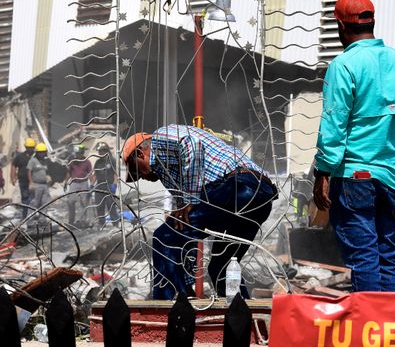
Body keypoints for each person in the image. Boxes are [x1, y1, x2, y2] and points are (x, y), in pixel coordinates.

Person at [312, 0, 395, 292]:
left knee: (364, 259)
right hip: (391, 179)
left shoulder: (344, 65)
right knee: (386, 256)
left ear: (341, 26)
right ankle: (390, 332)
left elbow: (334, 125)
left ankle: (370, 330)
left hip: (354, 179)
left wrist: (322, 173)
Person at [122, 125, 278, 300]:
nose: (140, 177)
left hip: (237, 186)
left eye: (136, 170)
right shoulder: (170, 175)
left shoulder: (160, 137)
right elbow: (186, 232)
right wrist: (188, 283)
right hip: (261, 196)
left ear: (140, 154)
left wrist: (191, 199)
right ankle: (242, 315)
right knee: (221, 266)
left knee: (162, 237)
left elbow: (192, 143)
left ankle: (168, 306)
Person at [93, 142, 120, 226]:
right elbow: (95, 175)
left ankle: (115, 224)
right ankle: (101, 224)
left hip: (109, 185)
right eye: (99, 151)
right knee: (99, 206)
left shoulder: (112, 160)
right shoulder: (97, 162)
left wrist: (115, 185)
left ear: (106, 151)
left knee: (110, 205)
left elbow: (116, 174)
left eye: (101, 151)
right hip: (99, 186)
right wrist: (91, 185)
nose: (100, 153)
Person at [66, 143, 94, 227]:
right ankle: (71, 220)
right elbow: (68, 172)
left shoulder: (87, 162)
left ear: (82, 153)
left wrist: (91, 185)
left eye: (80, 153)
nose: (78, 155)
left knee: (84, 202)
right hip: (74, 183)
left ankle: (83, 220)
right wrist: (65, 183)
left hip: (84, 183)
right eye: (77, 153)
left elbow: (90, 174)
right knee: (70, 201)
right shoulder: (72, 161)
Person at [11, 138, 36, 218]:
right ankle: (26, 216)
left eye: (31, 147)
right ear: (25, 147)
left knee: (34, 199)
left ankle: (33, 215)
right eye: (28, 147)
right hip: (23, 181)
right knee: (25, 199)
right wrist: (13, 177)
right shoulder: (20, 156)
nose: (30, 149)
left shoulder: (36, 156)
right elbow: (13, 165)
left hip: (35, 182)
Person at [26, 143, 50, 217]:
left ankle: (42, 220)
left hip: (45, 185)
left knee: (44, 203)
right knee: (34, 203)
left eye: (43, 152)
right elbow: (29, 171)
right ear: (37, 152)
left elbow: (47, 171)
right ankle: (30, 220)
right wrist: (31, 182)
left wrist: (48, 177)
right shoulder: (33, 160)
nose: (42, 154)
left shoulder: (45, 161)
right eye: (40, 152)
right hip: (36, 184)